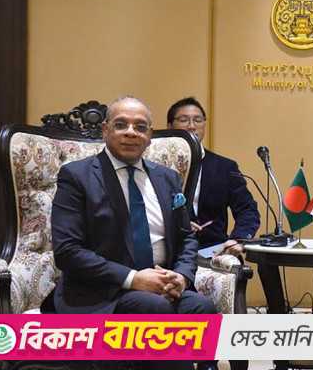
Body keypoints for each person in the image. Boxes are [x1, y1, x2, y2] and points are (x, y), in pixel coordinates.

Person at [45, 96, 216, 370]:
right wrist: (134, 279)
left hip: (160, 286)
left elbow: (186, 237)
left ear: (149, 136)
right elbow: (68, 252)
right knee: (155, 310)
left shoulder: (167, 178)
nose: (131, 132)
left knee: (201, 308)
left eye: (140, 127)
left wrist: (182, 277)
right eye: (121, 124)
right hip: (100, 294)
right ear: (105, 130)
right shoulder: (77, 176)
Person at [167, 97, 260, 256]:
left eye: (198, 120)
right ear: (170, 126)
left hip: (213, 251)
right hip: (169, 252)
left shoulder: (225, 167)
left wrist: (238, 239)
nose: (191, 126)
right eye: (184, 120)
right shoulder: (154, 164)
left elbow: (247, 209)